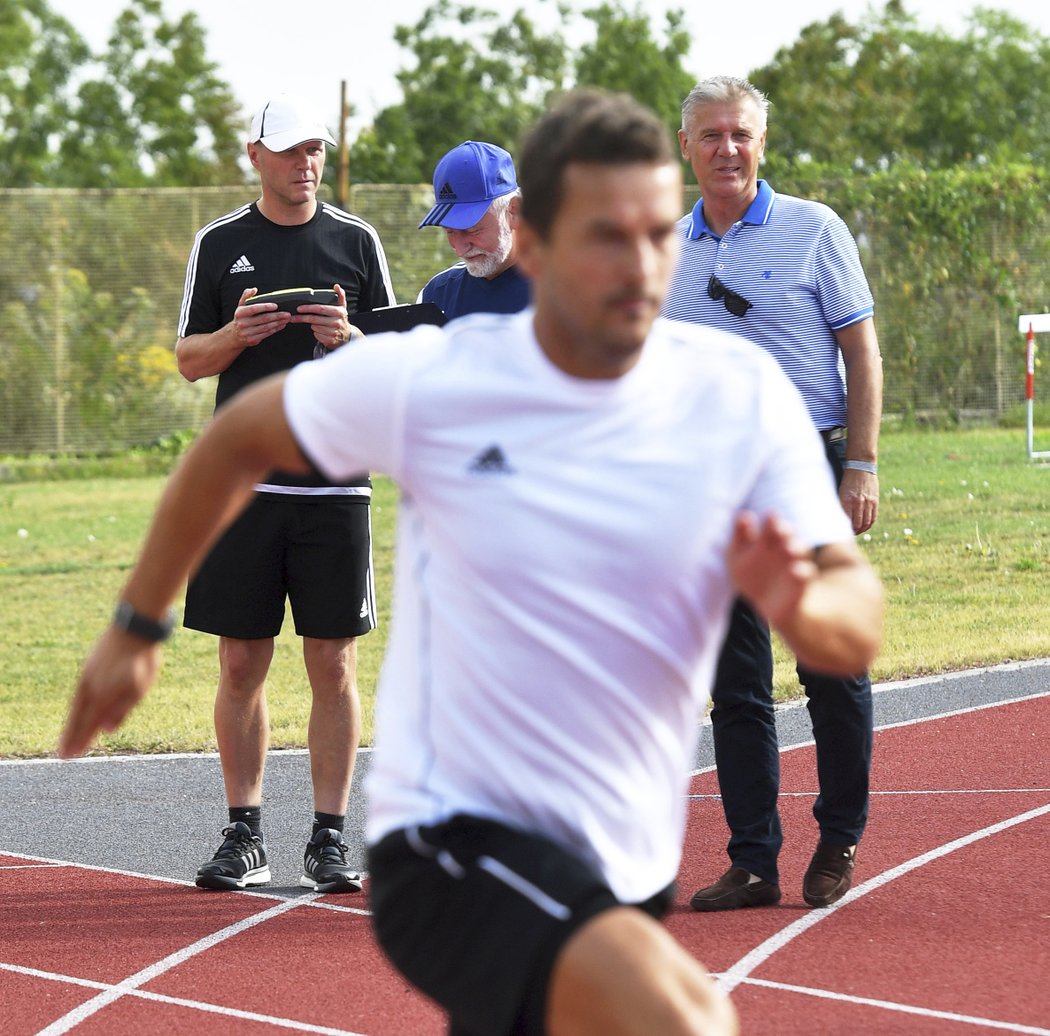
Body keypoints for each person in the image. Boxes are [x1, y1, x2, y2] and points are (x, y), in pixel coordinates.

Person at [62, 88, 885, 1036]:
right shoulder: (453, 374)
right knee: (680, 1018)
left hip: (621, 851)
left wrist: (812, 604)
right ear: (539, 235)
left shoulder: (737, 394)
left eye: (660, 233)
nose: (641, 265)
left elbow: (850, 605)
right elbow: (238, 434)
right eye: (604, 235)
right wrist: (137, 624)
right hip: (453, 834)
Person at [663, 75, 884, 912]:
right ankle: (754, 860)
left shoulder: (813, 229)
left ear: (762, 143)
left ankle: (839, 838)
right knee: (736, 683)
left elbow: (860, 352)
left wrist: (861, 463)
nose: (727, 149)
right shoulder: (669, 247)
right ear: (687, 146)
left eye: (741, 135)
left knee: (829, 661)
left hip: (808, 468)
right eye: (711, 135)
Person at [172, 93, 395, 894]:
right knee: (240, 664)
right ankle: (245, 834)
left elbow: (393, 364)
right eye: (289, 149)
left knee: (331, 663)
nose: (305, 162)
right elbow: (189, 360)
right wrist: (236, 336)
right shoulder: (220, 242)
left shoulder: (355, 240)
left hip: (335, 488)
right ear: (254, 155)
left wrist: (351, 339)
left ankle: (330, 838)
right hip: (241, 487)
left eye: (314, 149)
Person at [416, 140, 530, 318]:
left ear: (513, 211)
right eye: (449, 231)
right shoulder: (436, 295)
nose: (460, 249)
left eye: (472, 230)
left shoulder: (568, 291)